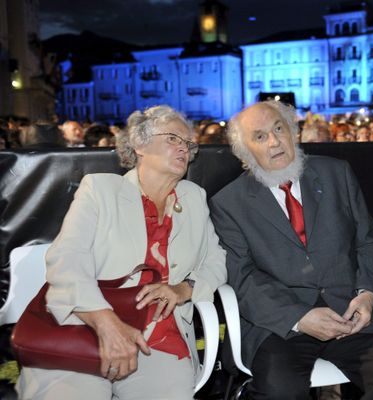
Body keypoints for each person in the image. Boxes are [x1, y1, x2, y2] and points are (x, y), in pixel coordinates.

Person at [17, 105, 227, 400]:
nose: (185, 148)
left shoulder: (194, 198)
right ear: (140, 144)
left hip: (158, 341)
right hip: (83, 329)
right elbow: (66, 260)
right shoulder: (101, 190)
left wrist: (185, 289)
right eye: (173, 139)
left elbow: (216, 260)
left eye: (188, 143)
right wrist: (106, 323)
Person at [209, 100, 373, 400]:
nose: (275, 141)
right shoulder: (229, 203)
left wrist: (368, 294)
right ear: (244, 152)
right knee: (279, 388)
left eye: (280, 129)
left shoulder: (336, 174)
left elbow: (372, 243)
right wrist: (299, 316)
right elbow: (242, 278)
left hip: (351, 312)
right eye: (260, 136)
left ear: (293, 132)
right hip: (281, 325)